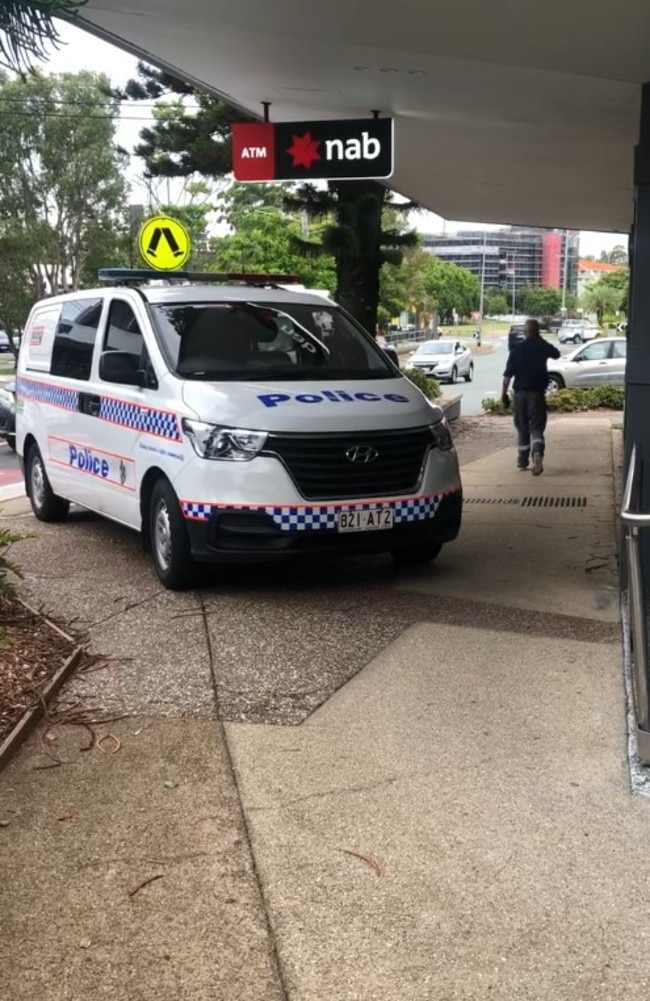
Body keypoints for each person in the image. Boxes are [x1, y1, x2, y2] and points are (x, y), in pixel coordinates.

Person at [501, 318, 560, 476]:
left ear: (525, 332)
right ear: (537, 331)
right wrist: (540, 339)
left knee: (522, 428)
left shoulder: (516, 349)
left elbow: (507, 376)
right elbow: (556, 354)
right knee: (537, 427)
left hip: (520, 395)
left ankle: (522, 461)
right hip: (537, 394)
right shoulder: (542, 346)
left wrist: (503, 395)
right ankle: (537, 454)